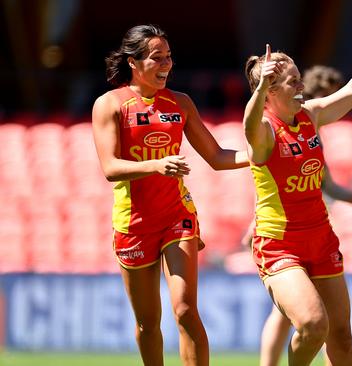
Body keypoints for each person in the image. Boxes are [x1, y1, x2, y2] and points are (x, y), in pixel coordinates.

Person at [242, 8, 352, 366]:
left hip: (321, 237)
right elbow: (248, 124)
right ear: (269, 92)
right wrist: (257, 90)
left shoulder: (311, 115)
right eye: (292, 83)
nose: (301, 87)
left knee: (342, 338)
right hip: (279, 244)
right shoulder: (264, 131)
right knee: (312, 324)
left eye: (300, 79)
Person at [92, 24, 248, 366]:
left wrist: (261, 155)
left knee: (185, 309)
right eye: (156, 58)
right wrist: (156, 165)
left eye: (169, 57)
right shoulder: (110, 105)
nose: (166, 64)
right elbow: (110, 167)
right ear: (133, 62)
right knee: (148, 324)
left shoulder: (181, 103)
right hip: (133, 222)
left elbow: (218, 156)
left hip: (177, 215)